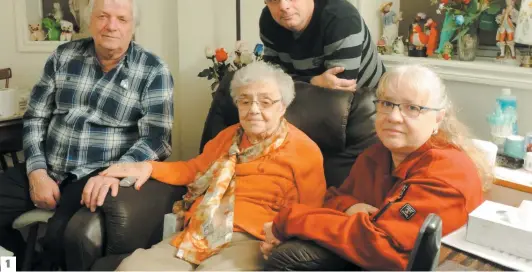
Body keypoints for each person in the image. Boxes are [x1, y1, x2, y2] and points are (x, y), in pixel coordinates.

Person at [90, 61, 327, 271]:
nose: (254, 109)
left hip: (253, 239)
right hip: (200, 230)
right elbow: (194, 170)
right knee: (134, 267)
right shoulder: (228, 137)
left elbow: (311, 211)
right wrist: (147, 168)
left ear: (283, 106)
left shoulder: (303, 150)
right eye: (245, 101)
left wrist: (281, 237)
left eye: (265, 102)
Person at [260, 64, 491, 270]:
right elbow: (333, 200)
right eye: (387, 104)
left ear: (438, 119)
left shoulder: (447, 172)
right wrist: (351, 208)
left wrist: (290, 220)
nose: (394, 116)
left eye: (412, 108)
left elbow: (387, 250)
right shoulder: (377, 155)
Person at [0, 0, 174, 269]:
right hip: (50, 166)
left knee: (62, 236)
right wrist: (37, 172)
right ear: (90, 20)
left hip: (97, 172)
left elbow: (157, 138)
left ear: (132, 27)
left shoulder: (153, 70)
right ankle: (16, 262)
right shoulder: (62, 57)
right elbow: (35, 117)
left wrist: (114, 172)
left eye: (121, 19)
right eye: (103, 16)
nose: (111, 26)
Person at [260, 0, 386, 91]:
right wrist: (314, 81)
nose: (283, 6)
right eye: (273, 0)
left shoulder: (341, 18)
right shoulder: (268, 21)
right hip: (310, 101)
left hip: (371, 103)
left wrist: (291, 82)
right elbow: (271, 79)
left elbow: (339, 89)